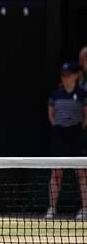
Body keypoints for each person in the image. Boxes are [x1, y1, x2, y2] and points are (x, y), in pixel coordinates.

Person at [45, 62, 87, 221]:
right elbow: (51, 115)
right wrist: (59, 128)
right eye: (63, 74)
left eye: (68, 74)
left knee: (82, 173)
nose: (65, 77)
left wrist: (76, 129)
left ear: (76, 75)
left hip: (76, 136)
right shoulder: (55, 94)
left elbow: (85, 116)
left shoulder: (82, 94)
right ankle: (52, 208)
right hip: (59, 137)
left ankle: (85, 209)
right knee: (56, 173)